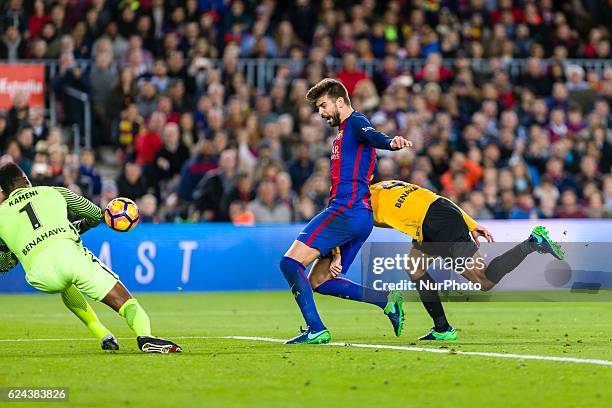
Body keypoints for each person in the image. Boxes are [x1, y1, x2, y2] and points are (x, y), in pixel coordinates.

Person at [318, 180, 564, 341]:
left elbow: (346, 228)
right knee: (414, 267)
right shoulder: (385, 185)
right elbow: (439, 198)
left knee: (484, 280)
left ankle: (532, 244)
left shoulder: (360, 204)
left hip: (437, 225)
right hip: (439, 214)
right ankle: (442, 328)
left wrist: (337, 254)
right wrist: (471, 223)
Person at [279, 78, 411, 344]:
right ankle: (386, 300)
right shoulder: (341, 136)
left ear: (340, 101)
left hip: (347, 211)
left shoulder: (355, 122)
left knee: (290, 263)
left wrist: (390, 142)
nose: (321, 113)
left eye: (323, 105)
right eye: (318, 108)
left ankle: (316, 329)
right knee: (320, 281)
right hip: (356, 216)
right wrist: (335, 249)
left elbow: (373, 135)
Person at [0, 162, 181, 353]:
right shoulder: (54, 191)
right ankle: (145, 336)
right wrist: (78, 226)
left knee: (65, 284)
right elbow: (95, 214)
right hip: (69, 254)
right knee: (127, 302)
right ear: (26, 180)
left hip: (40, 275)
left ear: (3, 191)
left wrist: (21, 247)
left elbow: (5, 264)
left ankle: (103, 334)